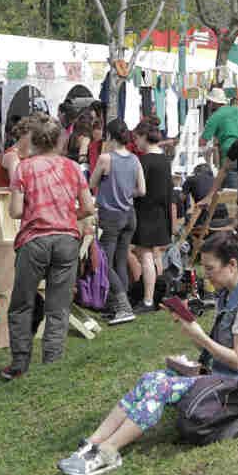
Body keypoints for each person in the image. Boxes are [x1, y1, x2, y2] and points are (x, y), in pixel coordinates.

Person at [56, 227, 238, 475]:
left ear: (232, 265)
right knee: (149, 379)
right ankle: (93, 443)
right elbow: (217, 350)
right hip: (224, 375)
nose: (206, 275)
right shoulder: (228, 296)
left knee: (161, 388)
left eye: (210, 268)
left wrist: (200, 336)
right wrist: (191, 331)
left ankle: (109, 451)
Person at [4, 114, 96, 381]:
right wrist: (67, 216)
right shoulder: (72, 168)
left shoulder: (24, 168)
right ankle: (52, 365)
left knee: (22, 304)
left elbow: (15, 211)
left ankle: (19, 365)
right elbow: (88, 207)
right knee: (59, 306)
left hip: (34, 240)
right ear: (59, 140)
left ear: (34, 139)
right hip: (67, 240)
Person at [89, 118, 145, 325]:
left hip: (111, 216)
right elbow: (142, 190)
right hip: (130, 214)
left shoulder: (105, 158)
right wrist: (125, 192)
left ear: (109, 136)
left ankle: (122, 306)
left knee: (104, 261)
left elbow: (91, 183)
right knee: (120, 261)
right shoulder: (134, 159)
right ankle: (120, 305)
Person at [132, 121, 173, 314]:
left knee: (146, 256)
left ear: (143, 137)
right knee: (153, 255)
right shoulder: (165, 160)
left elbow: (140, 190)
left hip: (146, 212)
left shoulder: (144, 161)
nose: (136, 142)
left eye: (137, 138)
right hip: (160, 212)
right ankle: (156, 294)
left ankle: (148, 300)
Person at [200, 87, 238, 191]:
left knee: (231, 193)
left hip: (230, 154)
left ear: (213, 102)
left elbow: (203, 141)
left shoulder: (215, 116)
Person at [0, 116, 31, 188]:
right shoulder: (13, 156)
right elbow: (17, 186)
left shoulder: (28, 155)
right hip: (3, 198)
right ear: (23, 135)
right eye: (34, 135)